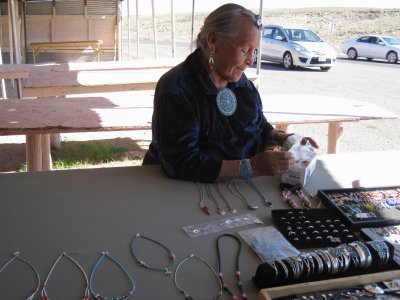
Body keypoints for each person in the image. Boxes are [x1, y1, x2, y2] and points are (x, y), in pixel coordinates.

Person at [143, 3, 318, 182]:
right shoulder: (178, 88)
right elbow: (180, 163)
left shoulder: (241, 84)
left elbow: (258, 126)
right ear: (213, 41)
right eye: (244, 50)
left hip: (237, 188)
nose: (250, 60)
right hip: (179, 190)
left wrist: (283, 138)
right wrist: (252, 167)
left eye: (254, 51)